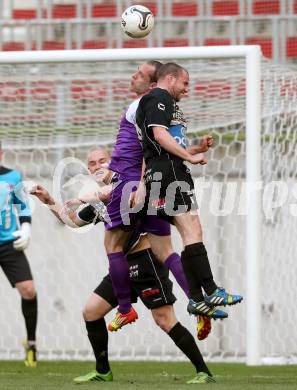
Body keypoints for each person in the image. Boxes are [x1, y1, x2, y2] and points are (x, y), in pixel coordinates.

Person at [31, 173, 215, 384]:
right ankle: (103, 371)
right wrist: (49, 201)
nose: (96, 166)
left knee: (164, 320)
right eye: (91, 163)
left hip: (146, 264)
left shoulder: (130, 189)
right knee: (91, 311)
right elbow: (72, 221)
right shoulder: (99, 203)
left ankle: (204, 371)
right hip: (121, 268)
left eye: (101, 161)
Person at [90, 61, 227, 332]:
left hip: (130, 182)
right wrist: (194, 149)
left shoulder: (141, 105)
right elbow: (161, 144)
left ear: (153, 84)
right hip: (152, 181)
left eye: (139, 73)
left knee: (113, 245)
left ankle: (125, 310)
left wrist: (135, 183)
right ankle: (198, 301)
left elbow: (150, 144)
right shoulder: (161, 107)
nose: (133, 75)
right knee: (165, 250)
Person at [136, 62, 243, 316]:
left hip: (168, 170)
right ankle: (211, 289)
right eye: (185, 83)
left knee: (192, 230)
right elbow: (160, 136)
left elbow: (160, 143)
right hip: (168, 171)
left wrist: (193, 149)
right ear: (170, 79)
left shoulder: (166, 103)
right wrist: (190, 157)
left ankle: (196, 298)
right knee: (191, 230)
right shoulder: (158, 98)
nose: (187, 89)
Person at [0, 141, 38, 367]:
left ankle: (31, 344)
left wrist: (26, 227)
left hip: (7, 243)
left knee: (29, 290)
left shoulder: (13, 177)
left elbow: (23, 205)